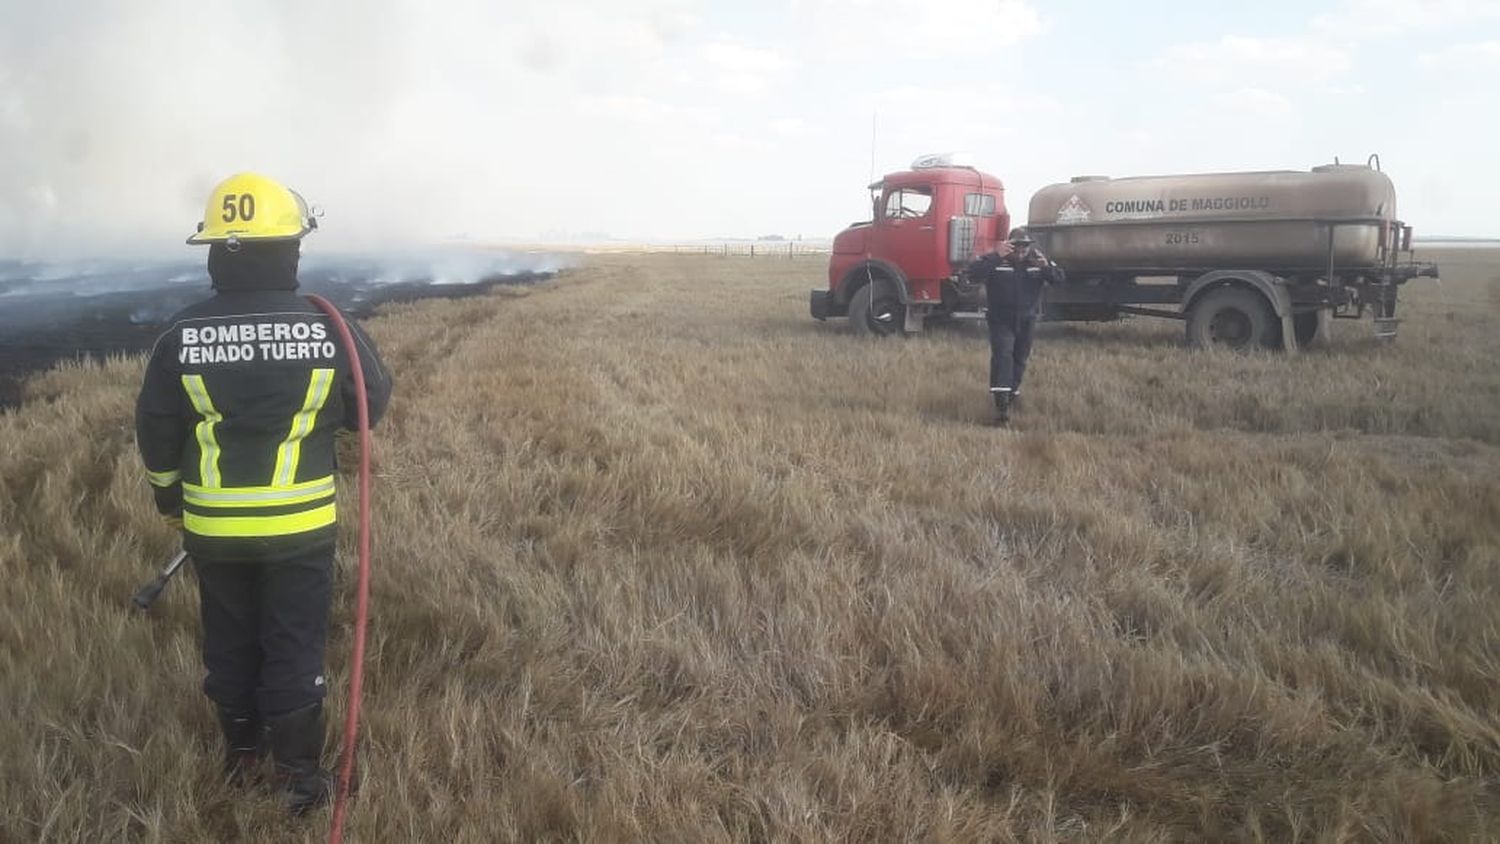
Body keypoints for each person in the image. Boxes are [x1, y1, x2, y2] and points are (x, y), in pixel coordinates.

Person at [135, 173, 393, 814]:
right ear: (291, 252)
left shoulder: (181, 333)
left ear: (217, 254)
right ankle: (302, 778)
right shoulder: (326, 325)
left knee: (228, 635)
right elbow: (371, 405)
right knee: (292, 640)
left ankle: (240, 757)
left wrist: (171, 501)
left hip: (214, 529)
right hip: (300, 528)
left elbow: (157, 430)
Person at [968, 226, 1064, 425]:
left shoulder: (1037, 261)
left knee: (1020, 359)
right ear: (1008, 245)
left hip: (1027, 320)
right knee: (1003, 357)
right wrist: (996, 255)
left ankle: (1012, 396)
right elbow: (973, 275)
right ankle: (1001, 409)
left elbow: (1059, 280)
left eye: (1025, 247)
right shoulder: (994, 261)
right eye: (1017, 246)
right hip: (1000, 319)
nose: (1021, 251)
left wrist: (1046, 267)